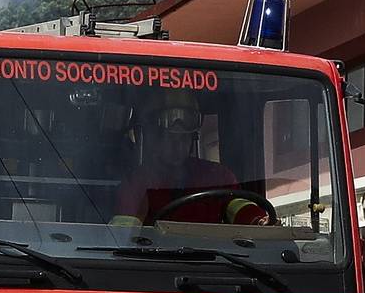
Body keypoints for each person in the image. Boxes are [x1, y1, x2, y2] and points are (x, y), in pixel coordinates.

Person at [111, 90, 271, 226]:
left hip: (214, 259)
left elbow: (236, 205)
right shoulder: (138, 182)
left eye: (183, 138)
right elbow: (124, 231)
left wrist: (257, 220)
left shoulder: (217, 176)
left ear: (192, 138)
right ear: (154, 139)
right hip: (157, 261)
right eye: (170, 138)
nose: (178, 146)